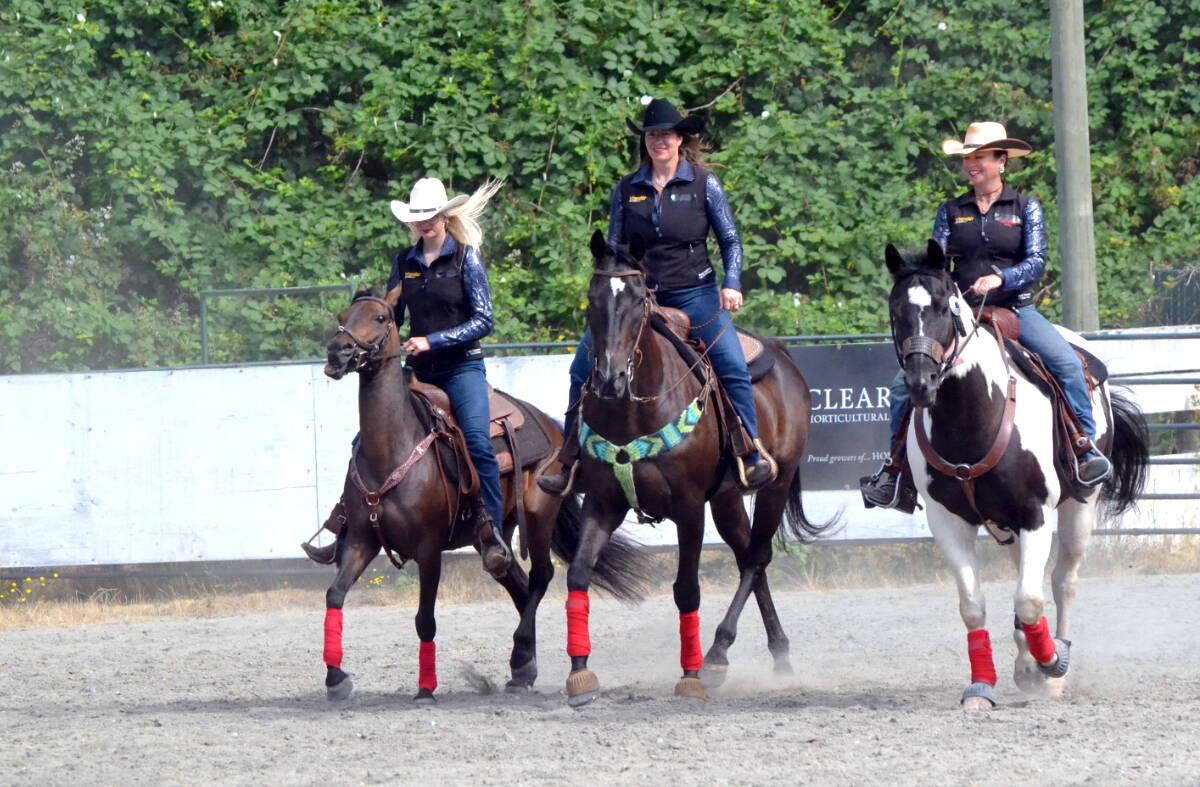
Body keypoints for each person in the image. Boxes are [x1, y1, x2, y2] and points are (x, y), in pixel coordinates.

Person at [861, 121, 1113, 508]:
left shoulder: (1026, 208)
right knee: (900, 388)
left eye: (980, 157)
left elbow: (1037, 261)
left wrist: (1002, 278)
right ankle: (895, 472)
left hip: (1015, 309)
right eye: (968, 158)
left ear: (1002, 161)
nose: (971, 165)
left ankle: (1084, 447)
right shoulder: (951, 211)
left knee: (1066, 363)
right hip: (961, 312)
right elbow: (936, 264)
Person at [537, 97, 775, 497]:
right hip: (639, 300)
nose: (658, 141)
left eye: (665, 134)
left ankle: (749, 452)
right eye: (652, 135)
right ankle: (570, 456)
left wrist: (731, 281)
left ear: (680, 138)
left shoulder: (704, 184)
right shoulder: (627, 190)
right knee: (582, 366)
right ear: (644, 141)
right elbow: (613, 249)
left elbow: (730, 239)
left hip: (696, 295)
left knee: (732, 366)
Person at [302, 176, 511, 578]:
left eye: (431, 216)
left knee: (479, 442)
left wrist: (432, 340)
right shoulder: (404, 263)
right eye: (418, 218)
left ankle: (493, 534)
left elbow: (484, 319)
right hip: (417, 372)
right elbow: (390, 320)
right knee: (365, 442)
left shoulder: (466, 258)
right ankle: (343, 530)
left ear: (445, 216)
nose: (425, 224)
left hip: (462, 368)